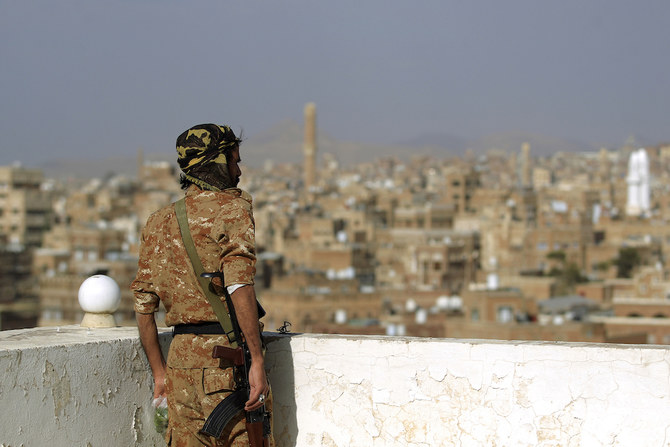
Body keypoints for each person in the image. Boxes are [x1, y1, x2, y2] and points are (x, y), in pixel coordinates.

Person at [131, 123, 273, 446]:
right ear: (218, 164)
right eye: (234, 161)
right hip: (227, 364)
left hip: (180, 368)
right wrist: (257, 361)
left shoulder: (157, 222)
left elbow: (143, 305)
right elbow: (239, 285)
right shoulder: (233, 209)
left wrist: (160, 374)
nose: (238, 171)